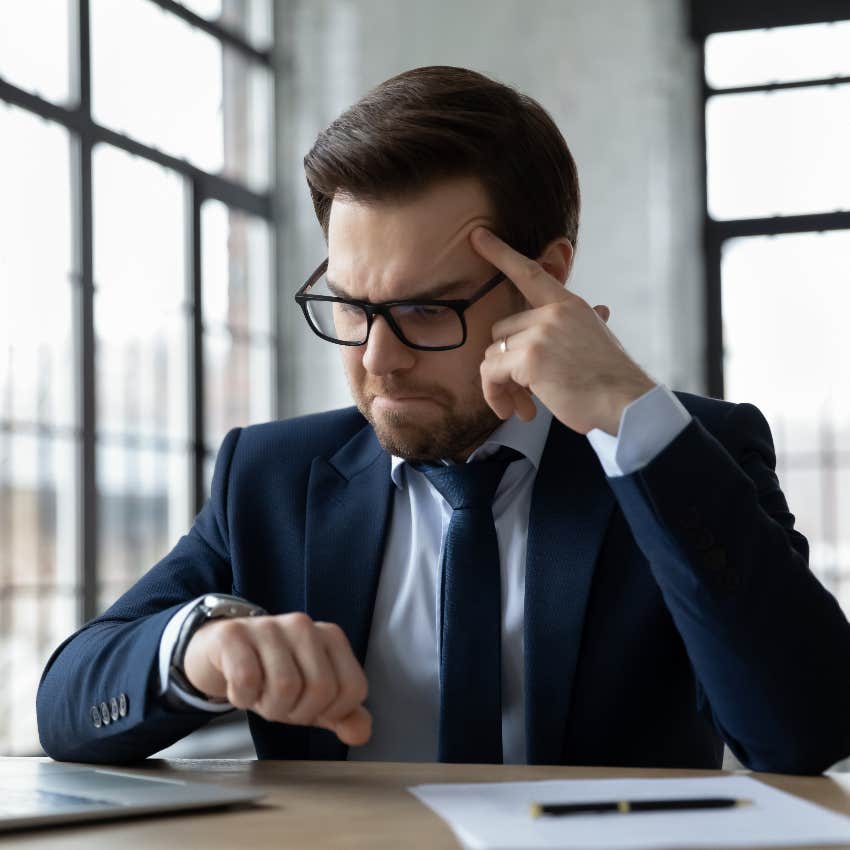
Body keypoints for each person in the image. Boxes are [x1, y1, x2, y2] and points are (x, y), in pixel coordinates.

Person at [37, 66, 850, 773]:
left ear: (545, 278)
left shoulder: (682, 454)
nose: (378, 359)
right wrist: (198, 648)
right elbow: (68, 700)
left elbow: (804, 732)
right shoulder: (272, 477)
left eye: (425, 310)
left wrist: (626, 416)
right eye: (352, 308)